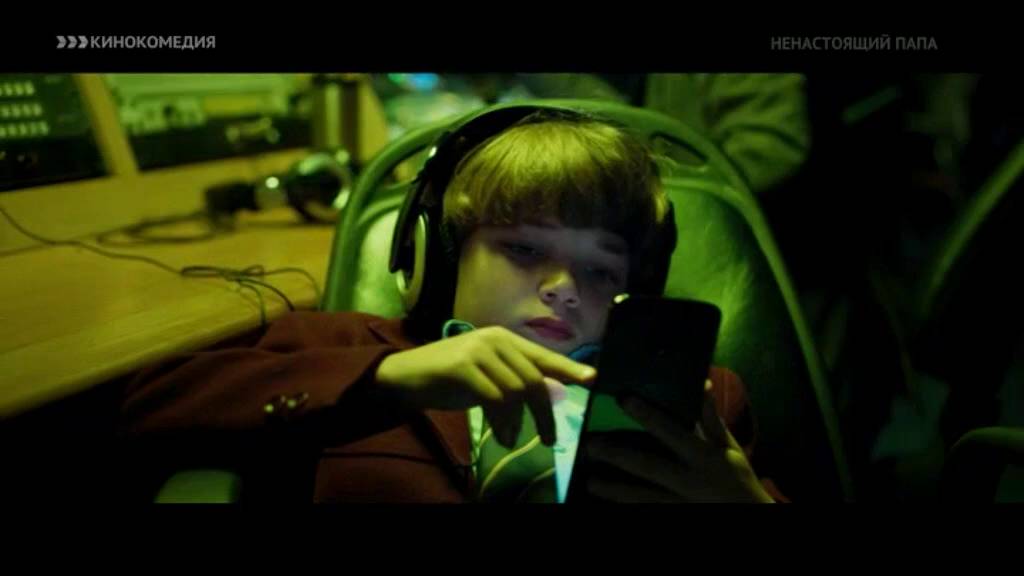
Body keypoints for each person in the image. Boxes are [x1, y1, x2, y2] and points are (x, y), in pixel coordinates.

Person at [118, 106, 784, 503]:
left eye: (599, 268)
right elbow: (146, 415)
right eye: (523, 249)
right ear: (440, 256)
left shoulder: (699, 403)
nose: (562, 286)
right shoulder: (349, 352)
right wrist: (390, 380)